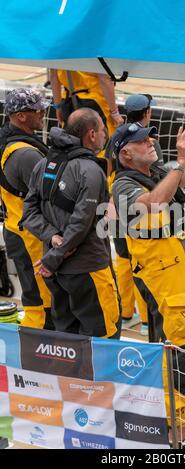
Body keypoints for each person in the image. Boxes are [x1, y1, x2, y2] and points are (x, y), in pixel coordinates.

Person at [111, 120, 185, 434]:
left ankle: (171, 416)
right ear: (126, 154)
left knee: (179, 349)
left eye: (151, 138)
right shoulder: (123, 185)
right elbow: (151, 204)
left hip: (181, 280)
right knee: (181, 353)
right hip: (164, 285)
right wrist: (180, 163)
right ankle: (172, 425)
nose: (152, 142)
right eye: (144, 141)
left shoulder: (158, 175)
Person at [21, 108, 121, 338]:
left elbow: (28, 213)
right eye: (104, 131)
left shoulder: (43, 164)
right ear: (92, 134)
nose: (106, 136)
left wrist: (52, 237)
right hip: (87, 269)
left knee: (66, 338)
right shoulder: (91, 170)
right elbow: (82, 223)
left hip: (56, 275)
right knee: (103, 337)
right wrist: (55, 256)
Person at [107, 94, 162, 336]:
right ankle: (148, 316)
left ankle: (126, 312)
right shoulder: (149, 142)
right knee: (140, 260)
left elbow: (108, 169)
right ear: (147, 113)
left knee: (122, 259)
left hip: (116, 202)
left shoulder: (116, 139)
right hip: (141, 208)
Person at [0, 88, 52, 329]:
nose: (43, 112)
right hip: (30, 236)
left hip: (19, 228)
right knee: (42, 303)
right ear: (21, 116)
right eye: (37, 109)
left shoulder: (10, 142)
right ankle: (42, 355)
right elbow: (52, 193)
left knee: (36, 298)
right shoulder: (25, 154)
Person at [50, 69, 124, 136]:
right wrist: (115, 112)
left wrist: (58, 106)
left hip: (68, 101)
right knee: (99, 141)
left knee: (72, 140)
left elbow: (54, 78)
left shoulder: (54, 53)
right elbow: (104, 79)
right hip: (95, 102)